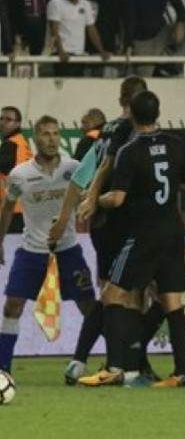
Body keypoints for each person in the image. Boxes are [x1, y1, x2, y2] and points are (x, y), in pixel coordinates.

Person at [78, 90, 185, 388]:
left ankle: (114, 368)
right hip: (173, 230)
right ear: (157, 113)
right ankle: (181, 373)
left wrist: (94, 200)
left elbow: (117, 199)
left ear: (131, 114)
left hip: (145, 233)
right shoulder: (176, 144)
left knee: (112, 295)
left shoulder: (130, 151)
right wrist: (166, 186)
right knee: (172, 302)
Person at [53, 76, 148, 385]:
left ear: (121, 100)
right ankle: (128, 367)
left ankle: (80, 361)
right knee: (131, 296)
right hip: (126, 222)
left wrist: (64, 218)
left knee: (110, 294)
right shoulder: (138, 133)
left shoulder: (105, 131)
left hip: (101, 225)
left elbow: (80, 176)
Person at [0, 115, 96, 374]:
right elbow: (7, 207)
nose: (52, 139)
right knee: (12, 305)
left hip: (68, 249)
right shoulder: (20, 174)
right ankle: (3, 367)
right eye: (46, 134)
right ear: (36, 139)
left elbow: (91, 193)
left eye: (55, 134)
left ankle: (107, 363)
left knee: (90, 306)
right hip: (32, 250)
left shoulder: (74, 168)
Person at [47, 0, 109, 77]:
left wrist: (101, 50)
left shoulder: (86, 4)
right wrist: (60, 51)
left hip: (80, 55)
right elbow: (54, 30)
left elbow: (91, 29)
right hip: (62, 55)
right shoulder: (55, 3)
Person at [0, 106, 32, 234]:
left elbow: (4, 168)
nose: (3, 122)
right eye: (1, 118)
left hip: (10, 208)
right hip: (24, 207)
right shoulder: (22, 143)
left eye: (8, 120)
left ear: (17, 124)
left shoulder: (11, 144)